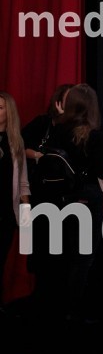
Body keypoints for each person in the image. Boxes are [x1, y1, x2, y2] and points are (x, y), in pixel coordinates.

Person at [32, 84, 103, 323]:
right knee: (83, 258)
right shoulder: (94, 136)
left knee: (62, 254)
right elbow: (102, 172)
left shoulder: (58, 131)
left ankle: (55, 307)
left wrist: (58, 117)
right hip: (87, 198)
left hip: (59, 199)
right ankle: (74, 310)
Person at [0, 92, 31, 313]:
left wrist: (26, 213)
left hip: (6, 214)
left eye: (0, 107)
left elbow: (23, 183)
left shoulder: (15, 142)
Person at [22, 84, 73, 185]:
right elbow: (19, 146)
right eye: (69, 99)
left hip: (66, 182)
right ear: (58, 102)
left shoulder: (78, 128)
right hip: (41, 180)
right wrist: (37, 155)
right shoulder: (42, 122)